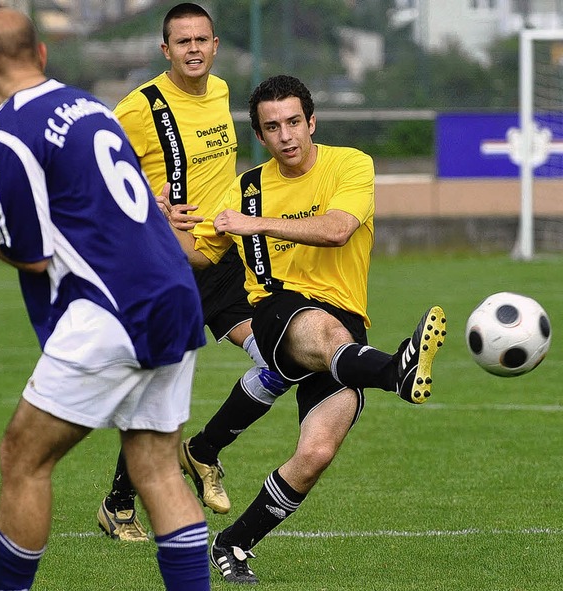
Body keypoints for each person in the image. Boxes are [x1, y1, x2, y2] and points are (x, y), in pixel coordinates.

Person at [0, 8, 210, 591]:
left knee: (23, 457)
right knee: (157, 467)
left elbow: (31, 253)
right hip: (174, 292)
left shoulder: (4, 129)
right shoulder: (89, 106)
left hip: (112, 309)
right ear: (40, 55)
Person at [162, 74, 447, 584]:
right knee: (320, 328)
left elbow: (338, 229)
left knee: (315, 453)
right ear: (261, 137)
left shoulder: (352, 164)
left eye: (294, 121)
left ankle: (233, 544)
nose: (286, 135)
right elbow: (201, 255)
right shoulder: (247, 187)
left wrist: (259, 225)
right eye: (272, 127)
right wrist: (155, 222)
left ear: (312, 122)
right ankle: (396, 372)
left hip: (347, 321)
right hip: (278, 310)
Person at [96, 2, 290, 542]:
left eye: (202, 39)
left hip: (225, 259)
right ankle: (118, 506)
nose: (194, 49)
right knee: (158, 391)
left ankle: (204, 451)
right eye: (183, 42)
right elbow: (98, 170)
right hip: (170, 264)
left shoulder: (225, 91)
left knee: (278, 357)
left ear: (215, 44)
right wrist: (151, 205)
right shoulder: (140, 107)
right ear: (165, 50)